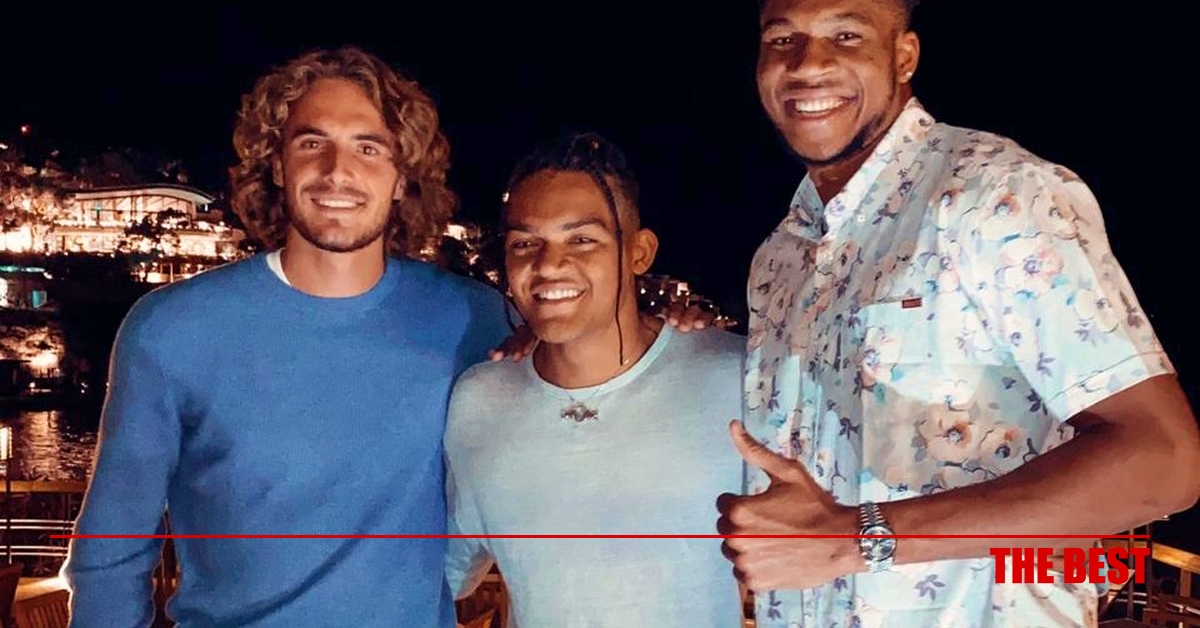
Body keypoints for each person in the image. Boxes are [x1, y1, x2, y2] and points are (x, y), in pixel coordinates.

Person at [716, 0, 1200, 626]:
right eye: (783, 39)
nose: (809, 64)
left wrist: (856, 538)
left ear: (904, 57)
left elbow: (1165, 459)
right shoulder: (779, 259)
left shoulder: (993, 196)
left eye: (847, 34)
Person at [62, 46, 512, 628]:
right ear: (277, 165)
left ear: (403, 177)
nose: (337, 171)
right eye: (311, 142)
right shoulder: (171, 331)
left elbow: (586, 396)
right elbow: (113, 549)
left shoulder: (475, 321)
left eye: (368, 147)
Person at [444, 132, 746, 627]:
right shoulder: (479, 401)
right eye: (525, 243)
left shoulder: (734, 378)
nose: (548, 264)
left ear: (639, 252)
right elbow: (447, 571)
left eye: (581, 239)